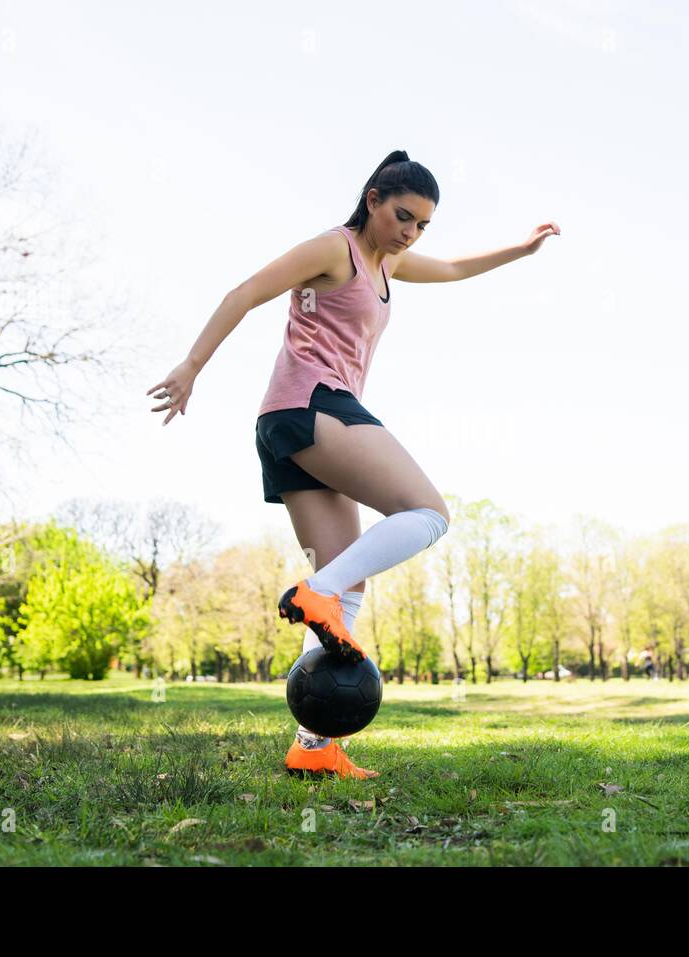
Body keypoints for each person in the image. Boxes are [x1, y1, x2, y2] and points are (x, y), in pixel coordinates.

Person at [148, 149, 559, 777]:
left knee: (349, 594)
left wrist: (518, 251)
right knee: (427, 513)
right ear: (372, 199)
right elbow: (247, 291)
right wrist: (192, 367)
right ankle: (314, 591)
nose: (410, 232)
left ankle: (313, 748)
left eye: (421, 225)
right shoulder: (333, 249)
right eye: (402, 216)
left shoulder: (386, 262)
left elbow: (450, 267)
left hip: (295, 422)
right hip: (311, 407)